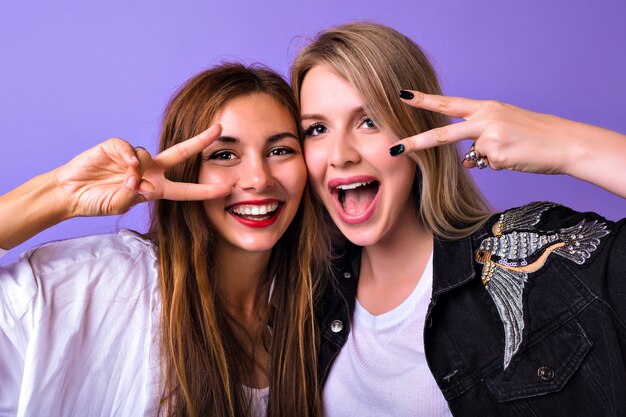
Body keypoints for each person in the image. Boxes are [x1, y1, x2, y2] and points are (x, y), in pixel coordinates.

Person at [291, 22, 626, 416]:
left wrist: (568, 148)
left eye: (370, 121)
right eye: (316, 129)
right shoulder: (304, 298)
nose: (339, 154)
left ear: (420, 133)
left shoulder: (531, 259)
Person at [0, 63, 323, 417]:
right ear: (185, 171)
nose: (259, 180)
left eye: (280, 151)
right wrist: (60, 193)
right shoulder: (93, 287)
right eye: (224, 154)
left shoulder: (316, 314)